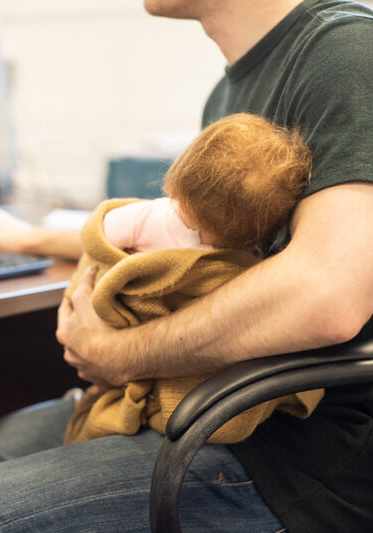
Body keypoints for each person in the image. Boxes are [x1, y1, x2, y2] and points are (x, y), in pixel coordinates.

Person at [0, 0, 373, 531]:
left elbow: (327, 295)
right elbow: (185, 238)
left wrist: (118, 354)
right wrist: (30, 238)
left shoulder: (350, 54)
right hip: (211, 403)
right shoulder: (227, 93)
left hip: (302, 459)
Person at [64, 112, 322, 445]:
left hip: (132, 343)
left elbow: (99, 236)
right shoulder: (239, 266)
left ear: (181, 174)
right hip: (180, 385)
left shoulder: (148, 216)